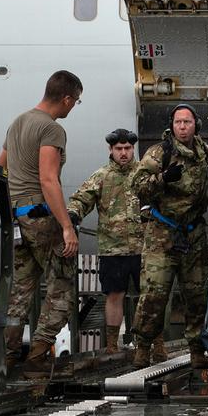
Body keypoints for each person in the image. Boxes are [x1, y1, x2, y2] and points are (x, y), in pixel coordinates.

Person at [0, 70, 83, 378]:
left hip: (17, 217)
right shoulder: (51, 129)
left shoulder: (17, 122)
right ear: (67, 99)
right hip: (40, 216)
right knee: (61, 284)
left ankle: (5, 356)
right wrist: (66, 226)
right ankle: (37, 353)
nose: (74, 107)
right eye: (77, 101)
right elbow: (48, 179)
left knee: (20, 289)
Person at [67, 128, 167, 359]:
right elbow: (81, 199)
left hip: (146, 247)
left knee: (150, 297)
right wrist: (73, 215)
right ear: (110, 150)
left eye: (128, 148)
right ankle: (112, 344)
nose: (123, 153)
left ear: (133, 149)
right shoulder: (101, 176)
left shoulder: (146, 174)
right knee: (114, 295)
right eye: (119, 149)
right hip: (113, 249)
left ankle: (158, 344)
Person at [131, 103, 208, 369]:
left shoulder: (205, 153)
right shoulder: (159, 153)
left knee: (196, 295)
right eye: (178, 122)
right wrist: (163, 178)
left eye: (187, 122)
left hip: (192, 234)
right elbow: (138, 186)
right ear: (172, 125)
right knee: (154, 294)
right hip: (162, 234)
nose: (183, 127)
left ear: (195, 125)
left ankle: (198, 348)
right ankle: (143, 346)